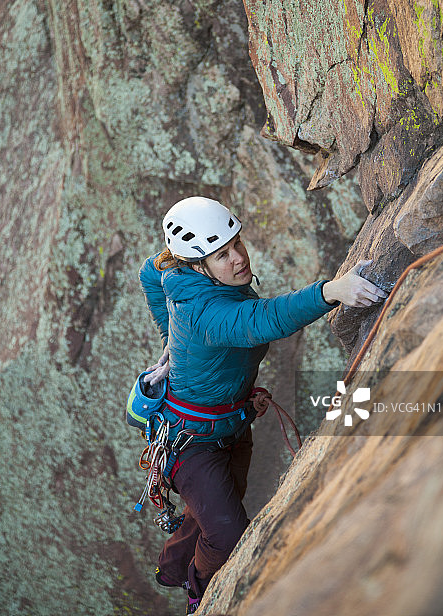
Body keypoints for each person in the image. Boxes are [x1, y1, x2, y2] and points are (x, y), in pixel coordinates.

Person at [139, 196, 386, 614]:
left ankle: (176, 566)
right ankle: (198, 593)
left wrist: (170, 340)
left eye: (238, 244)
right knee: (229, 534)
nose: (238, 259)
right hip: (192, 444)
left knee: (216, 507)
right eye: (222, 255)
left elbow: (149, 270)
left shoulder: (186, 275)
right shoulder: (204, 310)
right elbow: (261, 320)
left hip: (231, 423)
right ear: (197, 266)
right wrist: (331, 292)